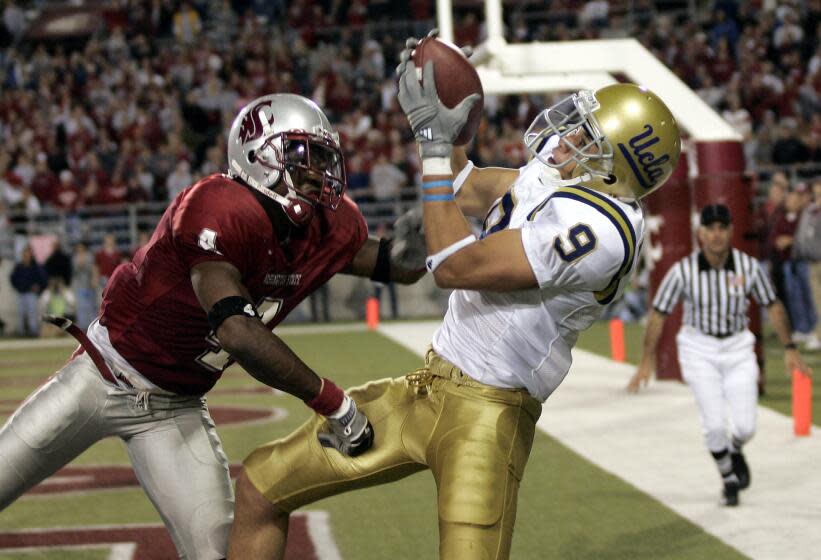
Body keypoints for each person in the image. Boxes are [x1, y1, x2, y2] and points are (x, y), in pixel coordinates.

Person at [227, 35, 682, 559]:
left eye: (586, 134)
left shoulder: (601, 231)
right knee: (261, 483)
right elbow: (464, 187)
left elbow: (456, 265)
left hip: (488, 419)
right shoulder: (561, 179)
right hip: (426, 388)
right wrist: (448, 111)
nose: (565, 134)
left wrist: (432, 142)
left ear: (614, 165)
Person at [0, 94, 424, 559]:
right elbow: (236, 331)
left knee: (216, 553)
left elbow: (391, 263)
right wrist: (333, 403)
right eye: (304, 158)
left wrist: (430, 231)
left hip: (174, 409)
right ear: (260, 156)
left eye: (323, 159)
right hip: (102, 376)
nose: (319, 174)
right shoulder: (217, 206)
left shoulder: (330, 225)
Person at [626, 204, 811, 507]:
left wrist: (790, 348)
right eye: (710, 228)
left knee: (746, 427)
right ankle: (728, 479)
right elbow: (658, 313)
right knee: (713, 425)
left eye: (722, 228)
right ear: (700, 233)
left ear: (730, 231)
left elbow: (773, 304)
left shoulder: (747, 267)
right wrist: (647, 360)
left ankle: (735, 449)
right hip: (699, 348)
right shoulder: (683, 270)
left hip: (738, 347)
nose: (716, 234)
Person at [9, 245, 47, 336]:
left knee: (32, 314)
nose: (26, 255)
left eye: (28, 253)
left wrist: (39, 288)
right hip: (21, 293)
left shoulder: (36, 267)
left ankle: (33, 332)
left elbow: (43, 279)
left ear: (31, 254)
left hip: (31, 294)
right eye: (24, 253)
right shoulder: (19, 266)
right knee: (20, 314)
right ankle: (21, 332)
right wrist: (18, 287)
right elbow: (13, 278)